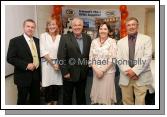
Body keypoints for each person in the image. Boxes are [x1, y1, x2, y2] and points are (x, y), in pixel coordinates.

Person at [117, 17, 153, 105]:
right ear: (126, 27)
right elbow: (119, 59)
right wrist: (129, 72)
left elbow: (147, 57)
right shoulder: (120, 42)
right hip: (126, 77)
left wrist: (134, 71)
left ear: (137, 26)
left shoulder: (146, 39)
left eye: (133, 24)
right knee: (126, 102)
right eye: (129, 25)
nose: (131, 27)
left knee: (140, 103)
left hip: (141, 76)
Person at [57, 17, 92, 105]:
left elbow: (89, 55)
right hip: (69, 74)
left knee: (81, 97)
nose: (77, 27)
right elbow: (61, 56)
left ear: (82, 26)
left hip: (83, 74)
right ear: (72, 27)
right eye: (75, 25)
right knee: (67, 97)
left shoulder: (88, 38)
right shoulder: (65, 38)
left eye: (79, 25)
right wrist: (65, 72)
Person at [7, 19, 41, 105]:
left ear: (35, 29)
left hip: (36, 77)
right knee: (22, 101)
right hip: (23, 77)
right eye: (28, 26)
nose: (30, 29)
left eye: (32, 27)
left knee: (36, 100)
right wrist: (26, 65)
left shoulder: (38, 41)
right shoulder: (15, 41)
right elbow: (10, 58)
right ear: (23, 27)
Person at [89, 22, 117, 105]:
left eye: (105, 29)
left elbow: (113, 58)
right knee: (97, 94)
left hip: (108, 73)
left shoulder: (112, 41)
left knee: (106, 95)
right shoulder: (94, 42)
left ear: (108, 31)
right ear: (98, 30)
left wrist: (102, 71)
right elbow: (91, 58)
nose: (103, 31)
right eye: (101, 29)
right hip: (96, 72)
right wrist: (97, 70)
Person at [40, 17, 62, 105]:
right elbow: (43, 51)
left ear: (57, 26)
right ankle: (49, 102)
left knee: (56, 84)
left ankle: (55, 101)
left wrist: (59, 64)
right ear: (47, 26)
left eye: (53, 24)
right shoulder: (43, 36)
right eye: (49, 25)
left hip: (58, 63)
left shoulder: (60, 37)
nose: (51, 26)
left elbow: (62, 51)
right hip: (47, 63)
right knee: (48, 83)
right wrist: (53, 64)